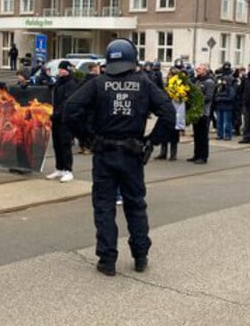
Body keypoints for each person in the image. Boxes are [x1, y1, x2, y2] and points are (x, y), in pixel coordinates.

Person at [64, 39, 175, 276]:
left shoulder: (98, 83)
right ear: (132, 59)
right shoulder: (144, 83)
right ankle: (140, 256)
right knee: (135, 205)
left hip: (104, 152)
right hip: (132, 153)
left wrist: (87, 137)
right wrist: (151, 142)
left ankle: (107, 260)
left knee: (104, 206)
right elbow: (168, 113)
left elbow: (71, 109)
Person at [47, 61, 79, 182]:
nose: (60, 71)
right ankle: (59, 168)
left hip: (64, 119)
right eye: (60, 69)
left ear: (68, 70)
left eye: (63, 69)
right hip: (56, 119)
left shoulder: (71, 83)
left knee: (65, 144)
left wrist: (57, 113)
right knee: (57, 144)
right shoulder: (58, 82)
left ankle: (68, 170)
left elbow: (67, 101)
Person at [187, 63, 215, 165]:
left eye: (199, 69)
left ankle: (203, 156)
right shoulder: (197, 80)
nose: (197, 70)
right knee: (197, 135)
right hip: (195, 112)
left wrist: (197, 99)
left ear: (205, 70)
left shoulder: (209, 82)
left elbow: (209, 97)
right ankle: (196, 154)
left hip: (203, 112)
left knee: (203, 135)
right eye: (197, 68)